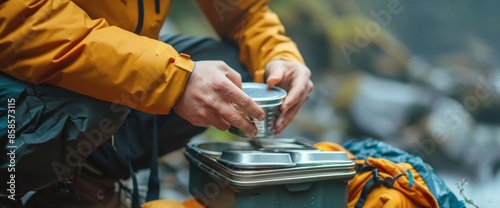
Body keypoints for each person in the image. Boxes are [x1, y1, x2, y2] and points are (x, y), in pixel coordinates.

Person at [0, 0, 313, 207]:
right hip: (20, 80)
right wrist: (172, 79)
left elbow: (240, 11)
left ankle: (90, 176)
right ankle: (16, 184)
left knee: (231, 73)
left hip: (111, 76)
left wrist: (278, 55)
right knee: (104, 98)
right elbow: (19, 20)